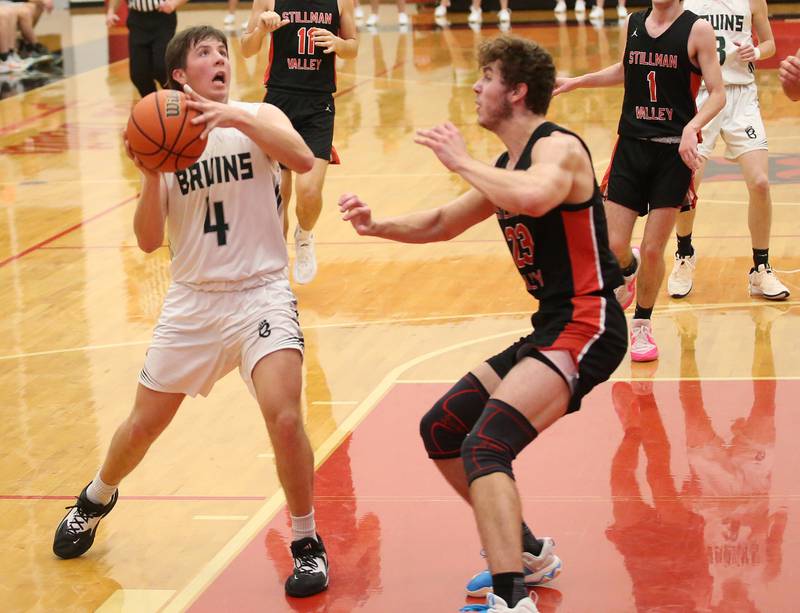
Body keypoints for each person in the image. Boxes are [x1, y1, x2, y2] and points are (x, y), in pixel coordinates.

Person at [340, 36, 627, 612]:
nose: (475, 85)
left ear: (517, 92)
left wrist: (460, 160)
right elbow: (445, 221)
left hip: (588, 321)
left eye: (488, 76)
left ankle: (510, 599)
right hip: (552, 324)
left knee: (486, 446)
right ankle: (528, 553)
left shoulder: (559, 150)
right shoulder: (505, 166)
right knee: (442, 428)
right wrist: (379, 226)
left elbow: (541, 197)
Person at [52, 26, 330, 598]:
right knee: (142, 427)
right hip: (194, 301)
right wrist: (151, 176)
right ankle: (96, 497)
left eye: (223, 51)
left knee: (284, 416)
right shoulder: (162, 137)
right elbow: (149, 241)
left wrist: (235, 118)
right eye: (205, 53)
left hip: (261, 292)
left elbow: (303, 159)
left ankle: (305, 542)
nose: (219, 58)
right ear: (181, 75)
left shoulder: (262, 115)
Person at [553, 0, 725, 362]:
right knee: (614, 246)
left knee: (652, 249)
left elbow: (718, 93)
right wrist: (577, 82)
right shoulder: (633, 22)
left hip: (672, 154)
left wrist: (692, 128)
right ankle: (627, 273)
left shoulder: (698, 30)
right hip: (631, 146)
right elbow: (624, 69)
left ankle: (642, 326)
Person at [665, 0, 789, 301]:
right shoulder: (686, 3)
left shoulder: (752, 1)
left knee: (760, 183)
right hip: (701, 96)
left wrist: (757, 51)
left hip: (741, 97)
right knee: (687, 185)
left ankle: (761, 268)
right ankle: (684, 254)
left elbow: (770, 43)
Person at [241, 0, 358, 284]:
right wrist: (261, 29)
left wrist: (338, 44)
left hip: (318, 105)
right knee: (277, 197)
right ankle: (276, 272)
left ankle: (304, 236)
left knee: (309, 192)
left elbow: (353, 47)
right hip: (278, 102)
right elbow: (246, 48)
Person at [106, 0, 188, 98]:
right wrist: (111, 11)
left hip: (162, 17)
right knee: (138, 74)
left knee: (162, 68)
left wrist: (174, 3)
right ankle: (152, 104)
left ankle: (181, 99)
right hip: (137, 20)